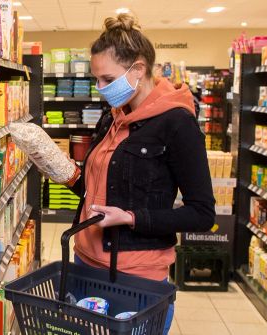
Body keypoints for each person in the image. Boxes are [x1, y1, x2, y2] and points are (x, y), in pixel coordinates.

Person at [64, 13, 215, 334]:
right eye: (96, 80)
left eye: (107, 79)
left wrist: (131, 218)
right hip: (84, 263)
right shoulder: (112, 117)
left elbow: (202, 213)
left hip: (135, 276)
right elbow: (101, 192)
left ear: (138, 70)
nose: (100, 89)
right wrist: (67, 175)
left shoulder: (176, 123)